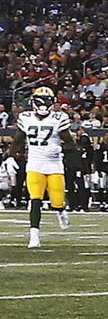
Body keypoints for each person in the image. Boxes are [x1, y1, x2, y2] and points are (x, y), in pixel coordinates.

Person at [7, 87, 74, 248]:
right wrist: (10, 155)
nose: (44, 105)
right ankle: (34, 236)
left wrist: (60, 148)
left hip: (54, 164)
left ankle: (60, 210)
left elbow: (71, 143)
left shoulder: (59, 118)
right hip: (35, 163)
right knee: (35, 198)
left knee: (57, 200)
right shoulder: (26, 118)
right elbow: (18, 140)